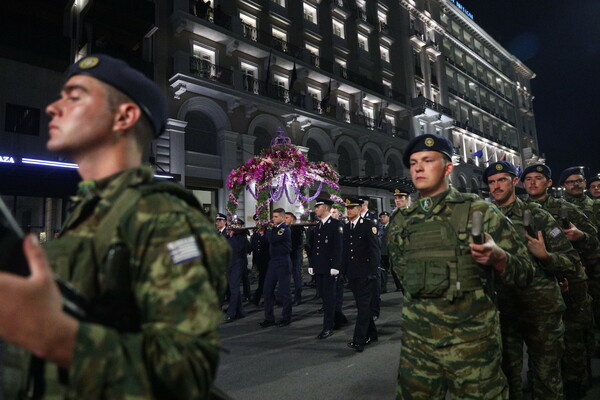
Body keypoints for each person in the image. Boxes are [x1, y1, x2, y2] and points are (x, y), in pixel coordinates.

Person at [0, 54, 229, 399]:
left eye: (74, 97)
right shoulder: (89, 213)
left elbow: (187, 372)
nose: (52, 108)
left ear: (124, 116)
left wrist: (55, 334)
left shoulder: (163, 217)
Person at [386, 133, 534, 399]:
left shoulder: (480, 211)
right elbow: (403, 276)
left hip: (472, 345)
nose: (418, 167)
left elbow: (525, 273)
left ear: (448, 167)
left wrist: (499, 258)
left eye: (428, 160)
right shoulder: (401, 221)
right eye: (413, 162)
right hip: (418, 348)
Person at [484, 161, 582, 399]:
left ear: (514, 182)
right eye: (491, 182)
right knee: (507, 376)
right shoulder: (482, 219)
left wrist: (546, 256)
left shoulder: (537, 216)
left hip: (541, 309)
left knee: (547, 376)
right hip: (503, 309)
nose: (496, 186)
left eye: (502, 180)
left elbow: (572, 262)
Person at [522, 163, 598, 399]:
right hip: (541, 285)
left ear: (549, 183)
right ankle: (542, 382)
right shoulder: (522, 210)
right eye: (528, 179)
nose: (533, 182)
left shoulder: (565, 209)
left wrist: (580, 236)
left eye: (538, 178)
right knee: (543, 342)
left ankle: (576, 384)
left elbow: (594, 241)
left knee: (573, 337)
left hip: (572, 281)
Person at [342, 197, 381, 352]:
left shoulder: (368, 225)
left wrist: (373, 272)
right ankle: (373, 334)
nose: (349, 211)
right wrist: (343, 271)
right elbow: (345, 252)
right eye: (348, 208)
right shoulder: (347, 227)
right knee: (361, 305)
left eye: (352, 208)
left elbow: (374, 251)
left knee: (363, 307)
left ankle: (359, 339)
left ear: (359, 209)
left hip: (366, 274)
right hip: (353, 274)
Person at [308, 198, 344, 339]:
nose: (315, 209)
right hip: (320, 267)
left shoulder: (336, 225)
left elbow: (338, 248)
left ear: (326, 208)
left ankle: (328, 327)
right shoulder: (318, 226)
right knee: (324, 296)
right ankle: (339, 319)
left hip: (330, 268)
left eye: (318, 207)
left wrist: (336, 266)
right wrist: (312, 264)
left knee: (329, 298)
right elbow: (314, 248)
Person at [259, 208, 293, 328]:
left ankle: (286, 317)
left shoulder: (284, 229)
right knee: (267, 290)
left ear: (283, 218)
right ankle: (269, 318)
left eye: (276, 217)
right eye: (273, 217)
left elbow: (271, 240)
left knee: (284, 291)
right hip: (273, 262)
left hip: (283, 261)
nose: (273, 219)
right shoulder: (275, 229)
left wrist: (268, 229)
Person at [224, 218, 249, 322]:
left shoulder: (240, 239)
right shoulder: (230, 238)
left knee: (234, 289)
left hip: (236, 265)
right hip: (229, 265)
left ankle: (231, 313)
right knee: (234, 289)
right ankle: (240, 311)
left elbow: (247, 249)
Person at [285, 212, 304, 305]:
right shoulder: (285, 229)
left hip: (295, 255)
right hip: (288, 255)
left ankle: (298, 297)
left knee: (296, 276)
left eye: (287, 218)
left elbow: (297, 243)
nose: (285, 219)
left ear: (292, 219)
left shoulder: (296, 229)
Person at [250, 215, 269, 306]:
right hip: (258, 260)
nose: (257, 223)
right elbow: (254, 248)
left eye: (259, 221)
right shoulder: (255, 233)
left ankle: (257, 299)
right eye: (256, 221)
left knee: (263, 280)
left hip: (266, 260)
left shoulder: (267, 232)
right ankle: (269, 297)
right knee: (263, 280)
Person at [378, 211, 390, 294]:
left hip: (389, 252)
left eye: (384, 217)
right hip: (382, 252)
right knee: (383, 271)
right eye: (381, 217)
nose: (382, 218)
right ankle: (383, 287)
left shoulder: (391, 227)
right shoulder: (379, 228)